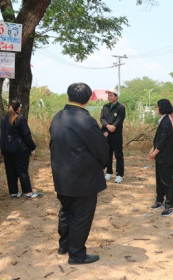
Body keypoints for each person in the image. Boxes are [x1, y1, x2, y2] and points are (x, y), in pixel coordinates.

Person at [49, 83, 109, 265]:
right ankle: (76, 254)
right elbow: (102, 150)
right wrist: (102, 164)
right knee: (81, 216)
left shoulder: (58, 117)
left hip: (61, 175)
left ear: (68, 97)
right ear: (89, 98)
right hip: (82, 178)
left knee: (66, 211)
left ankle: (64, 245)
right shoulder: (86, 120)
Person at [0, 100, 42, 199]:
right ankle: (29, 192)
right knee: (22, 170)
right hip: (19, 149)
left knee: (10, 171)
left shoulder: (4, 118)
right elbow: (26, 134)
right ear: (18, 108)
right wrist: (32, 147)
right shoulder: (20, 118)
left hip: (6, 149)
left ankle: (14, 193)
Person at [148, 99, 173, 217]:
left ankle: (169, 205)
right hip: (160, 156)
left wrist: (155, 152)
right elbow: (158, 139)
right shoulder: (163, 120)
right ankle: (160, 200)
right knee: (159, 179)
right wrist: (152, 149)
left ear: (161, 108)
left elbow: (163, 141)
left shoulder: (166, 122)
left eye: (157, 107)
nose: (156, 109)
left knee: (166, 180)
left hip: (165, 156)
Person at [100, 88, 126, 183]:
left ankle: (119, 174)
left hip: (116, 134)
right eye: (108, 95)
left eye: (111, 95)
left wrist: (112, 127)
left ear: (116, 96)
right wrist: (107, 126)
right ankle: (109, 172)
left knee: (118, 154)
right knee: (107, 154)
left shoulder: (121, 108)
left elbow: (119, 119)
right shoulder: (105, 106)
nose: (109, 97)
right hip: (105, 133)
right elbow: (102, 119)